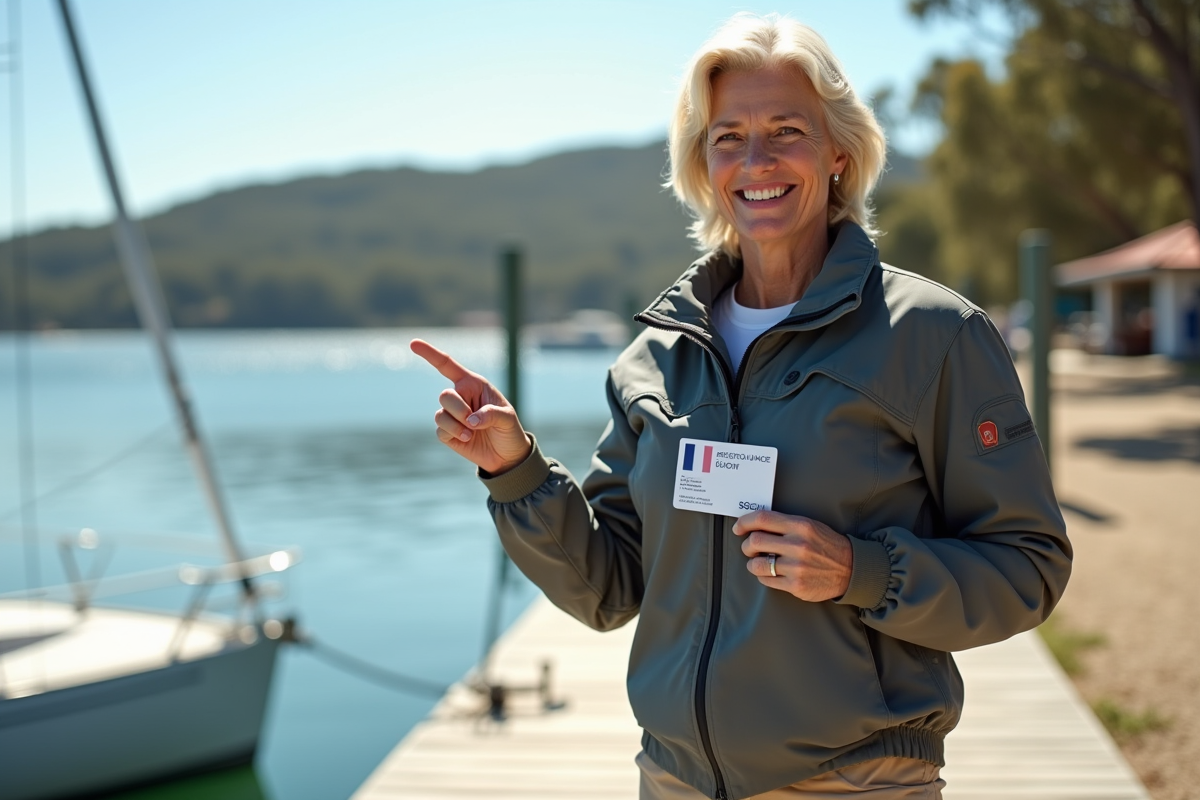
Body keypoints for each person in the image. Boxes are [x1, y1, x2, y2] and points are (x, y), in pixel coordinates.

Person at [411, 12, 1071, 800]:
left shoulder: (932, 336)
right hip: (675, 779)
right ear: (704, 163)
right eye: (728, 137)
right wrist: (516, 470)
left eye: (785, 129)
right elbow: (608, 588)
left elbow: (1027, 567)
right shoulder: (655, 358)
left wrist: (857, 571)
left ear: (838, 151)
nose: (755, 160)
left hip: (858, 780)